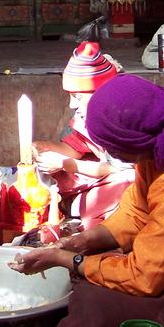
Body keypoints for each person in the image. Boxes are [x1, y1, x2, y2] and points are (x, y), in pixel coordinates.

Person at [10, 74, 164, 327]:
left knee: (94, 303)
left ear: (128, 143)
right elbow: (137, 211)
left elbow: (145, 276)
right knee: (92, 279)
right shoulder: (155, 146)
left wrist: (66, 259)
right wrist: (84, 242)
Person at [33, 41, 135, 229]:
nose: (72, 105)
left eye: (78, 97)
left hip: (130, 176)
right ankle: (80, 206)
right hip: (104, 173)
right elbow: (76, 147)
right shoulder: (87, 114)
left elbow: (120, 169)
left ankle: (92, 212)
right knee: (53, 174)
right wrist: (46, 148)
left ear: (100, 93)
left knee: (125, 182)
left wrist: (67, 164)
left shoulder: (123, 116)